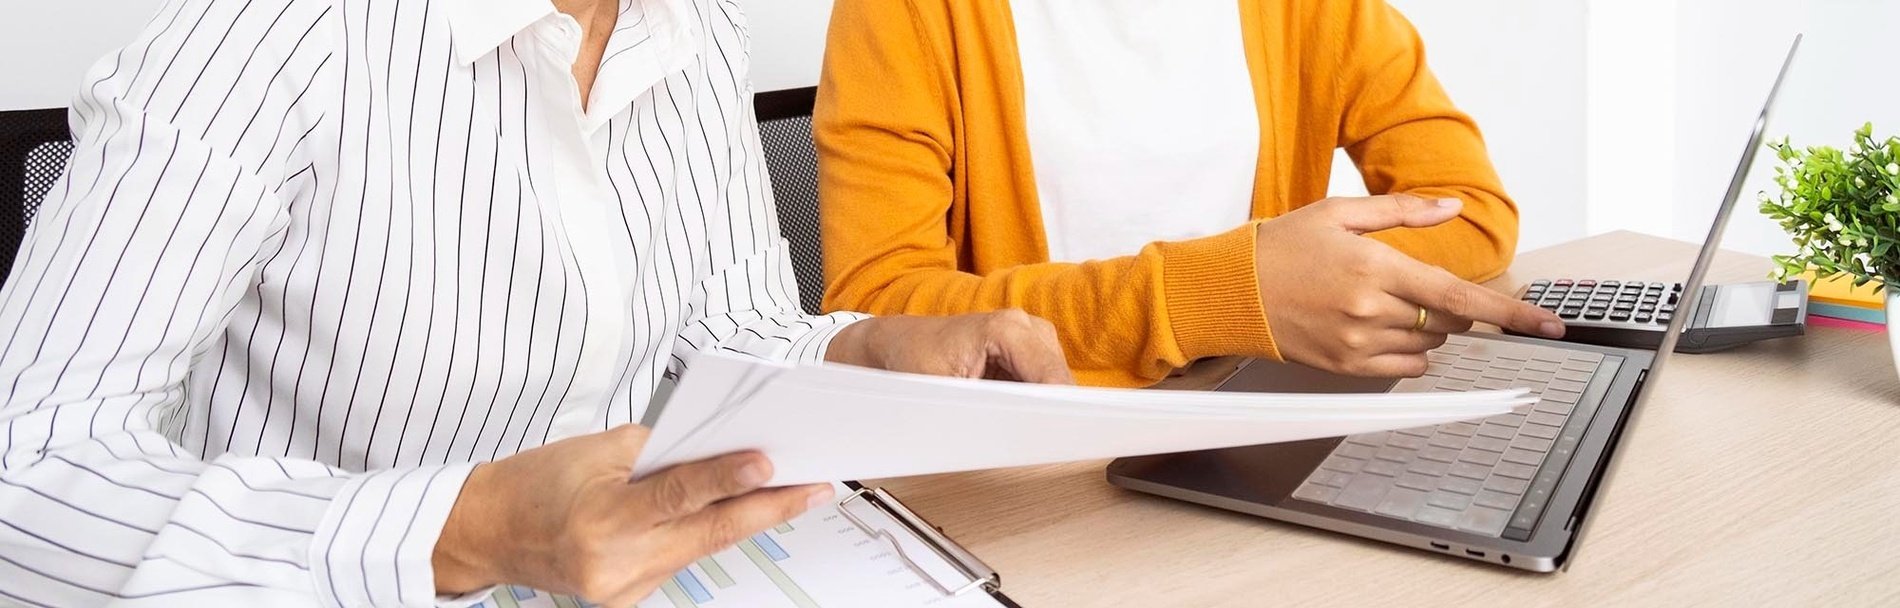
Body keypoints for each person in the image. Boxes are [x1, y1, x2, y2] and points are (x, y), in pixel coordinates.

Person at [0, 0, 1072, 606]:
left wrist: (869, 347)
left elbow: (726, 338)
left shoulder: (694, 33)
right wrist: (467, 527)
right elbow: (25, 475)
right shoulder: (259, 41)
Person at [815, 0, 1568, 388]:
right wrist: (1231, 294)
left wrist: (1324, 285)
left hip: (1254, 418)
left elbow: (1465, 204)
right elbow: (877, 303)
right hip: (1034, 453)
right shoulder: (908, 12)